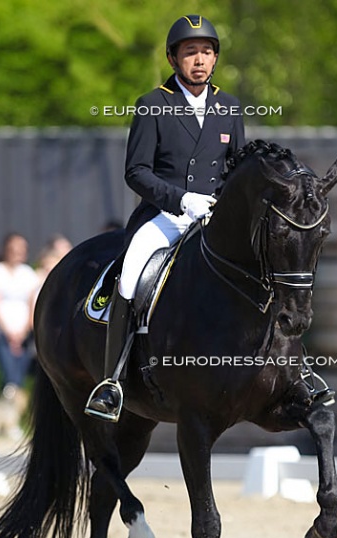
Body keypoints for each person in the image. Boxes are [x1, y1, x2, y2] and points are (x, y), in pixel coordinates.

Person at [85, 15, 246, 421]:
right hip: (164, 216)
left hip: (213, 218)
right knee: (132, 272)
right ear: (173, 59)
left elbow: (237, 167)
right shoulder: (152, 104)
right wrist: (182, 199)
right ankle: (113, 381)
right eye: (190, 52)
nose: (200, 60)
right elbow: (136, 171)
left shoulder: (229, 107)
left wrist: (223, 202)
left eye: (207, 52)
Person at [0, 232, 39, 394]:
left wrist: (24, 330)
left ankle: (14, 413)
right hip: (2, 332)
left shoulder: (28, 273)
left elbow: (31, 304)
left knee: (19, 377)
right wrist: (9, 332)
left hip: (24, 334)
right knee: (9, 376)